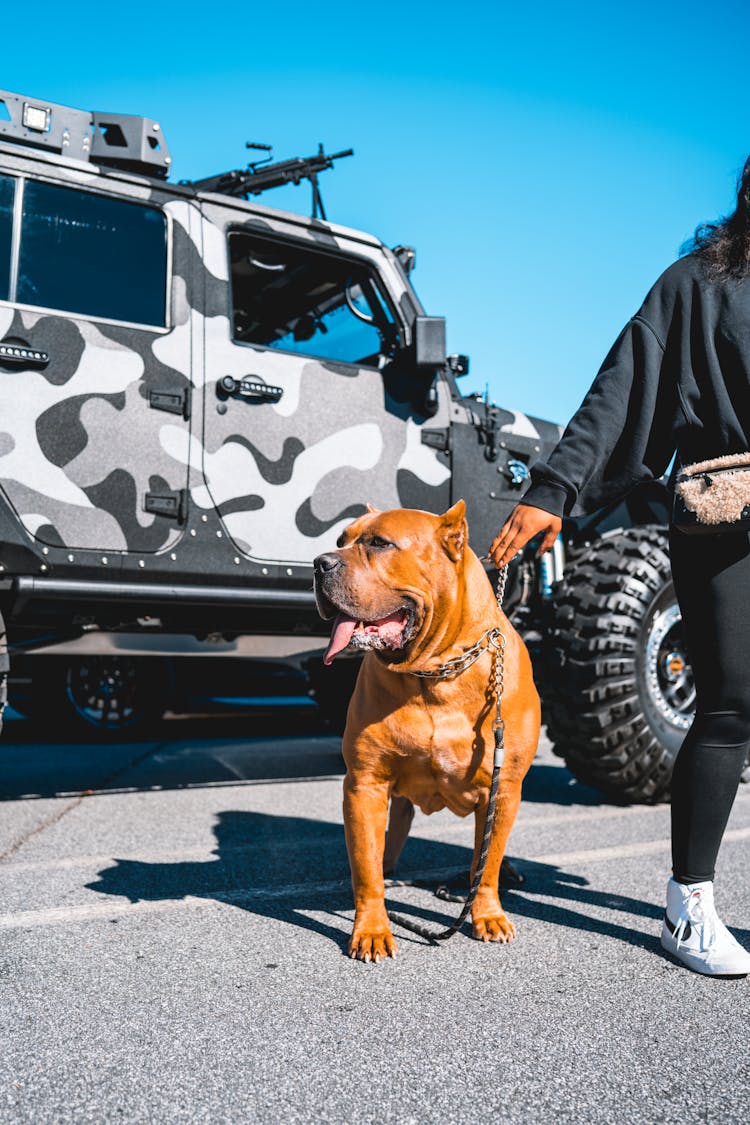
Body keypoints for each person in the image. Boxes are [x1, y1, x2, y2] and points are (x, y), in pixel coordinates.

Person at [489, 157, 750, 977]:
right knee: (733, 704)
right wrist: (554, 488)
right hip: (726, 512)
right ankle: (689, 904)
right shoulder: (698, 283)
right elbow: (623, 386)